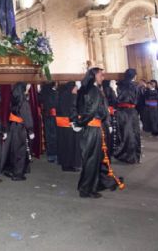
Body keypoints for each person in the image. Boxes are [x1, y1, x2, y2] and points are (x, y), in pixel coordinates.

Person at [76, 68, 123, 198]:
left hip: (91, 127)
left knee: (93, 159)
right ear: (94, 75)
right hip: (93, 129)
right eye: (101, 75)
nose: (103, 77)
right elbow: (91, 111)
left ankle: (90, 185)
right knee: (92, 160)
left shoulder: (86, 88)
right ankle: (86, 189)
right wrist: (82, 122)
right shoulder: (94, 90)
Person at [4, 82, 34, 181]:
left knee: (13, 150)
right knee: (20, 151)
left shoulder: (15, 99)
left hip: (13, 126)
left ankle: (12, 170)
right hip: (20, 128)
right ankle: (17, 174)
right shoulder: (24, 102)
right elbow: (27, 117)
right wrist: (30, 130)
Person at [114, 68, 142, 164]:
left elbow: (115, 99)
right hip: (131, 112)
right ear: (133, 76)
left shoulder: (119, 85)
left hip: (121, 112)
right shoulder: (135, 86)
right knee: (133, 134)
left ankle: (123, 154)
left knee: (123, 133)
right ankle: (132, 156)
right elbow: (137, 99)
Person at [56, 81, 81, 171]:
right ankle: (69, 165)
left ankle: (65, 164)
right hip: (69, 123)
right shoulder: (71, 96)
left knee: (64, 145)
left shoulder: (62, 94)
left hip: (62, 124)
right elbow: (72, 108)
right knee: (70, 145)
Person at [39, 82, 58, 163]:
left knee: (49, 136)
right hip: (54, 116)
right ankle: (54, 155)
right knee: (54, 136)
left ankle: (51, 155)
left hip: (46, 116)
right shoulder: (54, 93)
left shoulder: (43, 92)